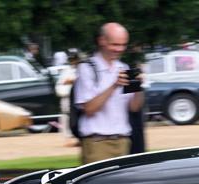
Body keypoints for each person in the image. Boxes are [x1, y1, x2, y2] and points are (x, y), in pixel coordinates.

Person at [75, 23, 144, 164]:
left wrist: (138, 87)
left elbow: (134, 108)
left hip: (123, 142)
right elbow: (89, 109)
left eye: (123, 45)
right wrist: (114, 86)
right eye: (115, 44)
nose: (120, 49)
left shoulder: (123, 68)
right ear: (102, 41)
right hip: (98, 144)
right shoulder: (87, 69)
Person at [55, 49, 81, 147]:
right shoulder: (67, 71)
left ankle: (79, 138)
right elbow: (60, 86)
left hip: (79, 99)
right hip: (68, 98)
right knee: (66, 117)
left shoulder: (82, 70)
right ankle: (68, 138)